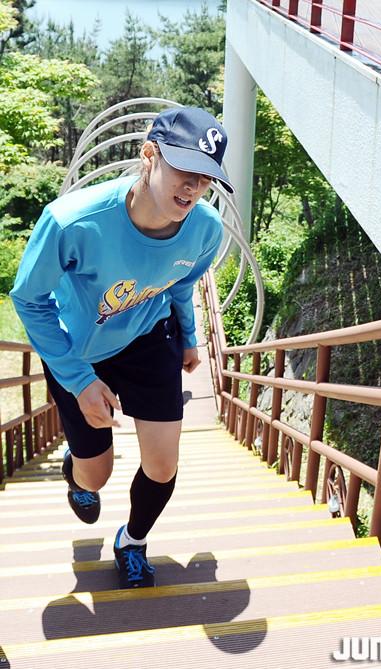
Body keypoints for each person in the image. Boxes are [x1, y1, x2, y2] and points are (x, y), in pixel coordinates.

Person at [10, 106, 233, 589]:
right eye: (184, 169)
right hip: (79, 349)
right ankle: (77, 470)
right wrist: (79, 379)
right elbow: (28, 299)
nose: (193, 187)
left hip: (149, 339)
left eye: (206, 178)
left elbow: (181, 281)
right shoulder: (72, 221)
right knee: (96, 476)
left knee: (163, 464)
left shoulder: (205, 229)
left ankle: (132, 541)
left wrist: (189, 337)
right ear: (149, 155)